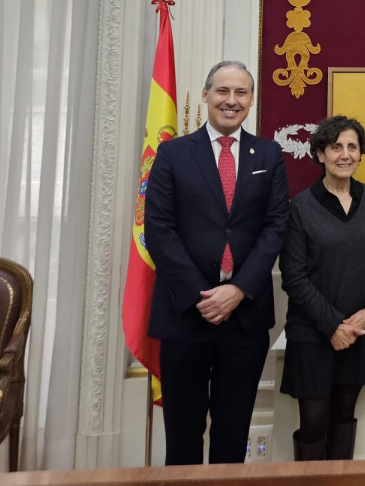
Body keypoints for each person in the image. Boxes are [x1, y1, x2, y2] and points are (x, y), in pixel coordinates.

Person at [145, 60, 289, 465]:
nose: (231, 100)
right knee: (183, 437)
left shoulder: (270, 154)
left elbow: (275, 227)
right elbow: (158, 229)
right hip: (185, 314)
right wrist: (202, 296)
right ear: (206, 95)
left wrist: (237, 290)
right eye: (223, 91)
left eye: (241, 92)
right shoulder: (172, 153)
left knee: (232, 435)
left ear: (252, 100)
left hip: (244, 319)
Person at [280, 115, 365, 461]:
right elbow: (293, 276)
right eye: (336, 147)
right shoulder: (300, 206)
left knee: (345, 415)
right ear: (320, 154)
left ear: (360, 153)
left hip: (360, 331)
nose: (345, 154)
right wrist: (333, 326)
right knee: (314, 423)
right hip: (313, 334)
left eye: (352, 147)